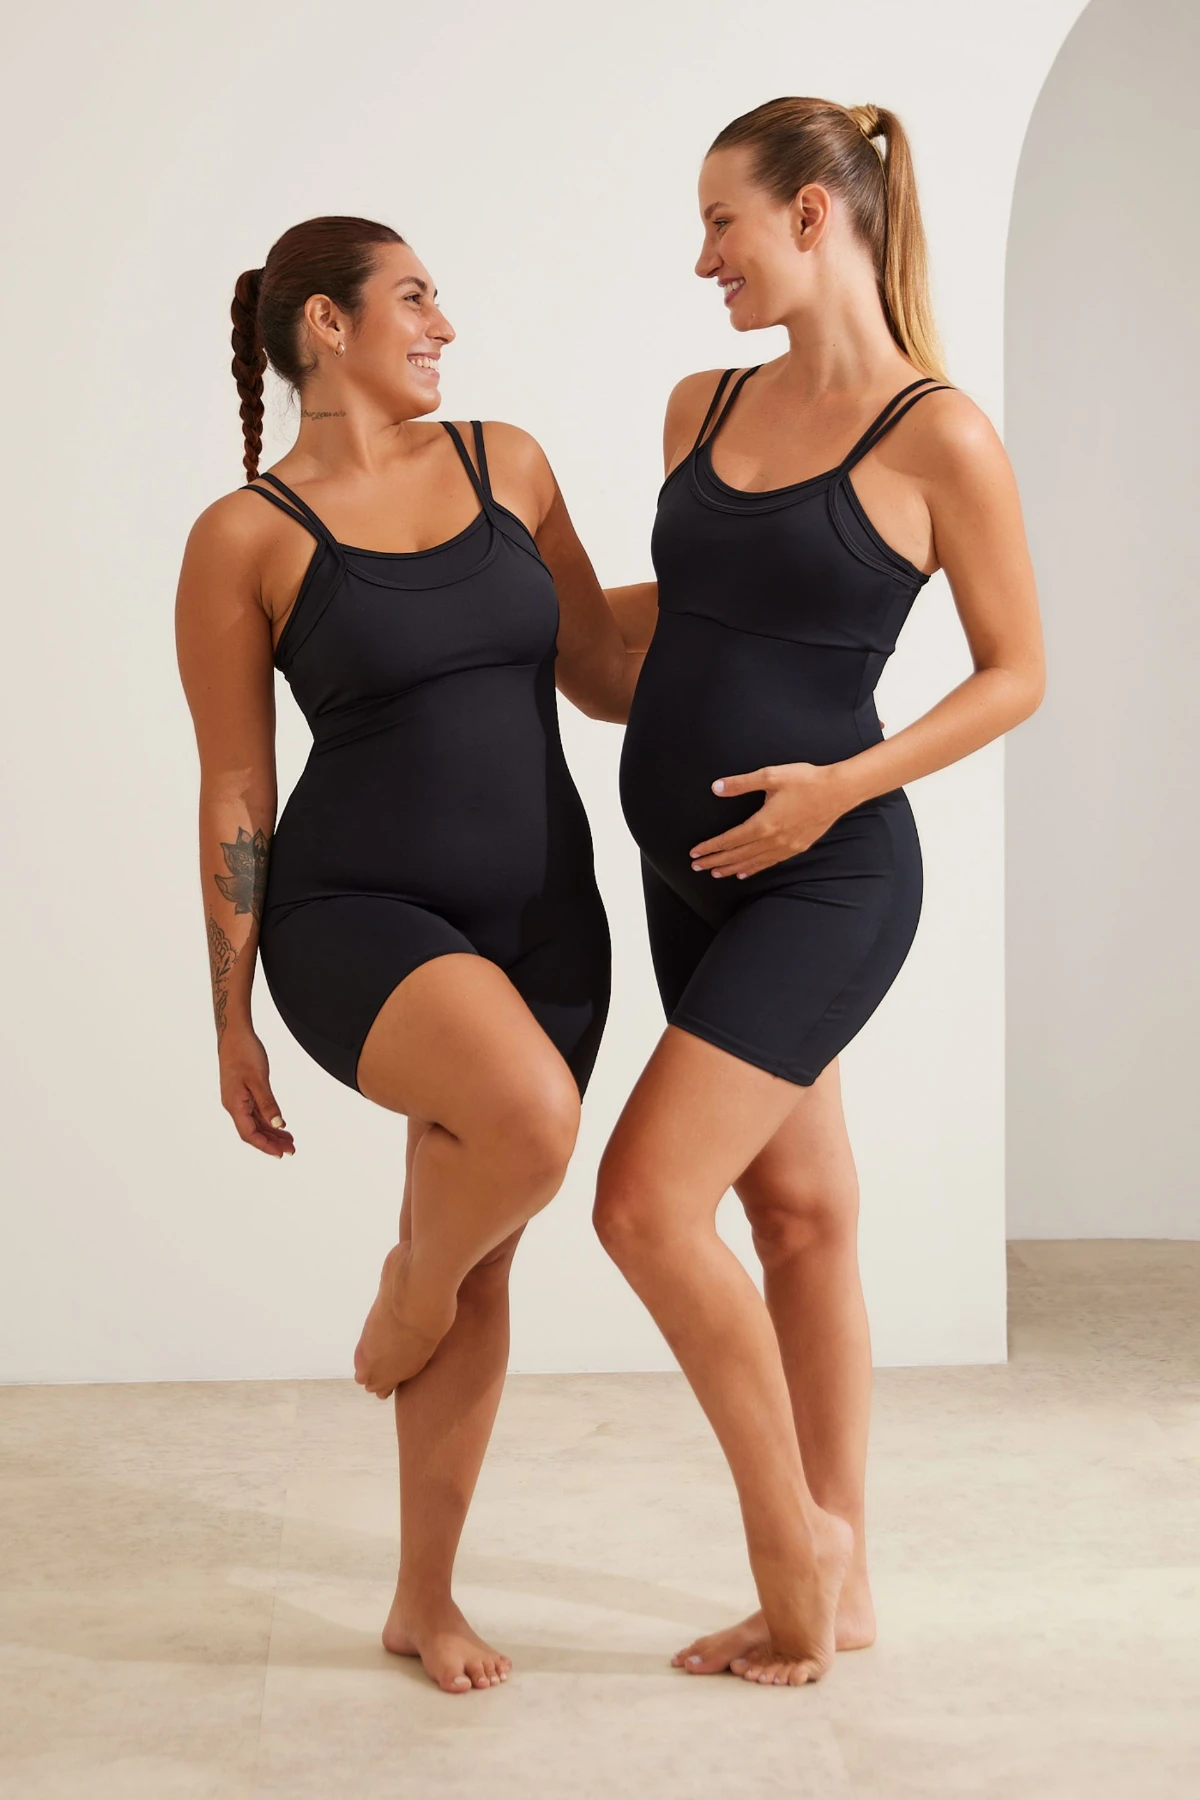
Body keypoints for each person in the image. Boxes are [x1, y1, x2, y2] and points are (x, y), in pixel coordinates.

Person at [596, 98, 1045, 1687]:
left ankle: (800, 1556)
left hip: (830, 877)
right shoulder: (701, 405)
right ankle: (847, 1573)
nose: (701, 258)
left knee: (645, 1205)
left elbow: (1015, 673)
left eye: (720, 221)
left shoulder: (938, 436)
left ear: (809, 216)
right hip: (687, 871)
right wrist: (489, 587)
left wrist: (839, 789)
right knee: (795, 1213)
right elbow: (676, 626)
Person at [175, 216, 637, 1694]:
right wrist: (231, 1015)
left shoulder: (513, 466)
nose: (445, 326)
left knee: (487, 1249)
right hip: (355, 918)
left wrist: (772, 614)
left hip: (546, 916)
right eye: (417, 299)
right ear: (327, 323)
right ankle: (409, 1289)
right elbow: (236, 784)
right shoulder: (247, 535)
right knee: (526, 1135)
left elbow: (597, 664)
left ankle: (423, 1601)